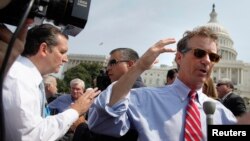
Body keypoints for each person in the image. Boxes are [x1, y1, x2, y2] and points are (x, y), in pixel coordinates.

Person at [88, 26, 237, 141]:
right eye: (199, 53)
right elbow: (102, 123)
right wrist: (138, 67)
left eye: (213, 56)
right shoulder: (143, 100)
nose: (207, 61)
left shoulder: (222, 115)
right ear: (179, 57)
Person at [2, 24, 100, 141]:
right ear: (44, 49)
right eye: (62, 52)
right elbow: (30, 136)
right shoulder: (20, 78)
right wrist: (75, 110)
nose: (66, 59)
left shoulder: (29, 77)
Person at [73, 48, 146, 141]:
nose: (108, 68)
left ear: (130, 65)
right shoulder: (141, 92)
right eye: (108, 64)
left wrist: (80, 127)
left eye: (113, 62)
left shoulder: (134, 94)